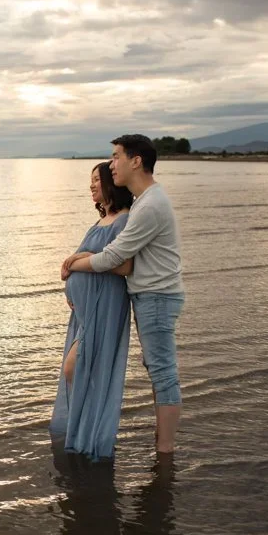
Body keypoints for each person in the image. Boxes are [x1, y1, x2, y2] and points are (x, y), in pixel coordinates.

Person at [63, 134, 185, 453]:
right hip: (150, 296)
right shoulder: (145, 202)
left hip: (156, 296)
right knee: (157, 368)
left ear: (136, 161)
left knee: (162, 371)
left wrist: (73, 262)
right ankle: (162, 443)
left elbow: (114, 259)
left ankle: (166, 450)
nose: (111, 163)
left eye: (116, 156)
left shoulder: (149, 206)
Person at [50, 161, 134, 460]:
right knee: (81, 368)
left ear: (112, 183)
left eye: (96, 180)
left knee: (77, 367)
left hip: (105, 305)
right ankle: (84, 428)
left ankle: (93, 432)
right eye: (91, 181)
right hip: (86, 311)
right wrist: (73, 284)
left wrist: (80, 259)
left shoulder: (124, 220)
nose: (91, 186)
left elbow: (121, 264)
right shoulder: (99, 222)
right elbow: (83, 264)